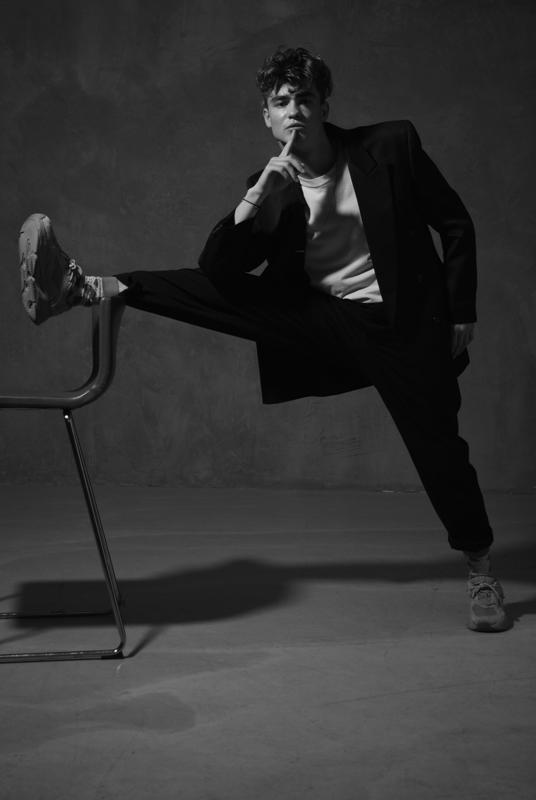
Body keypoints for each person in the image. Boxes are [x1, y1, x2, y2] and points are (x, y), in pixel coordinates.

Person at [18, 46, 510, 632]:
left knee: (438, 448)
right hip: (324, 319)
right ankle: (83, 287)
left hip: (402, 325)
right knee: (219, 292)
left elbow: (454, 223)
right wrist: (257, 201)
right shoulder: (270, 184)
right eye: (281, 102)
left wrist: (460, 310)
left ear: (324, 106)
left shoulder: (391, 146)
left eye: (305, 98)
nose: (294, 110)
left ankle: (481, 570)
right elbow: (218, 272)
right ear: (267, 117)